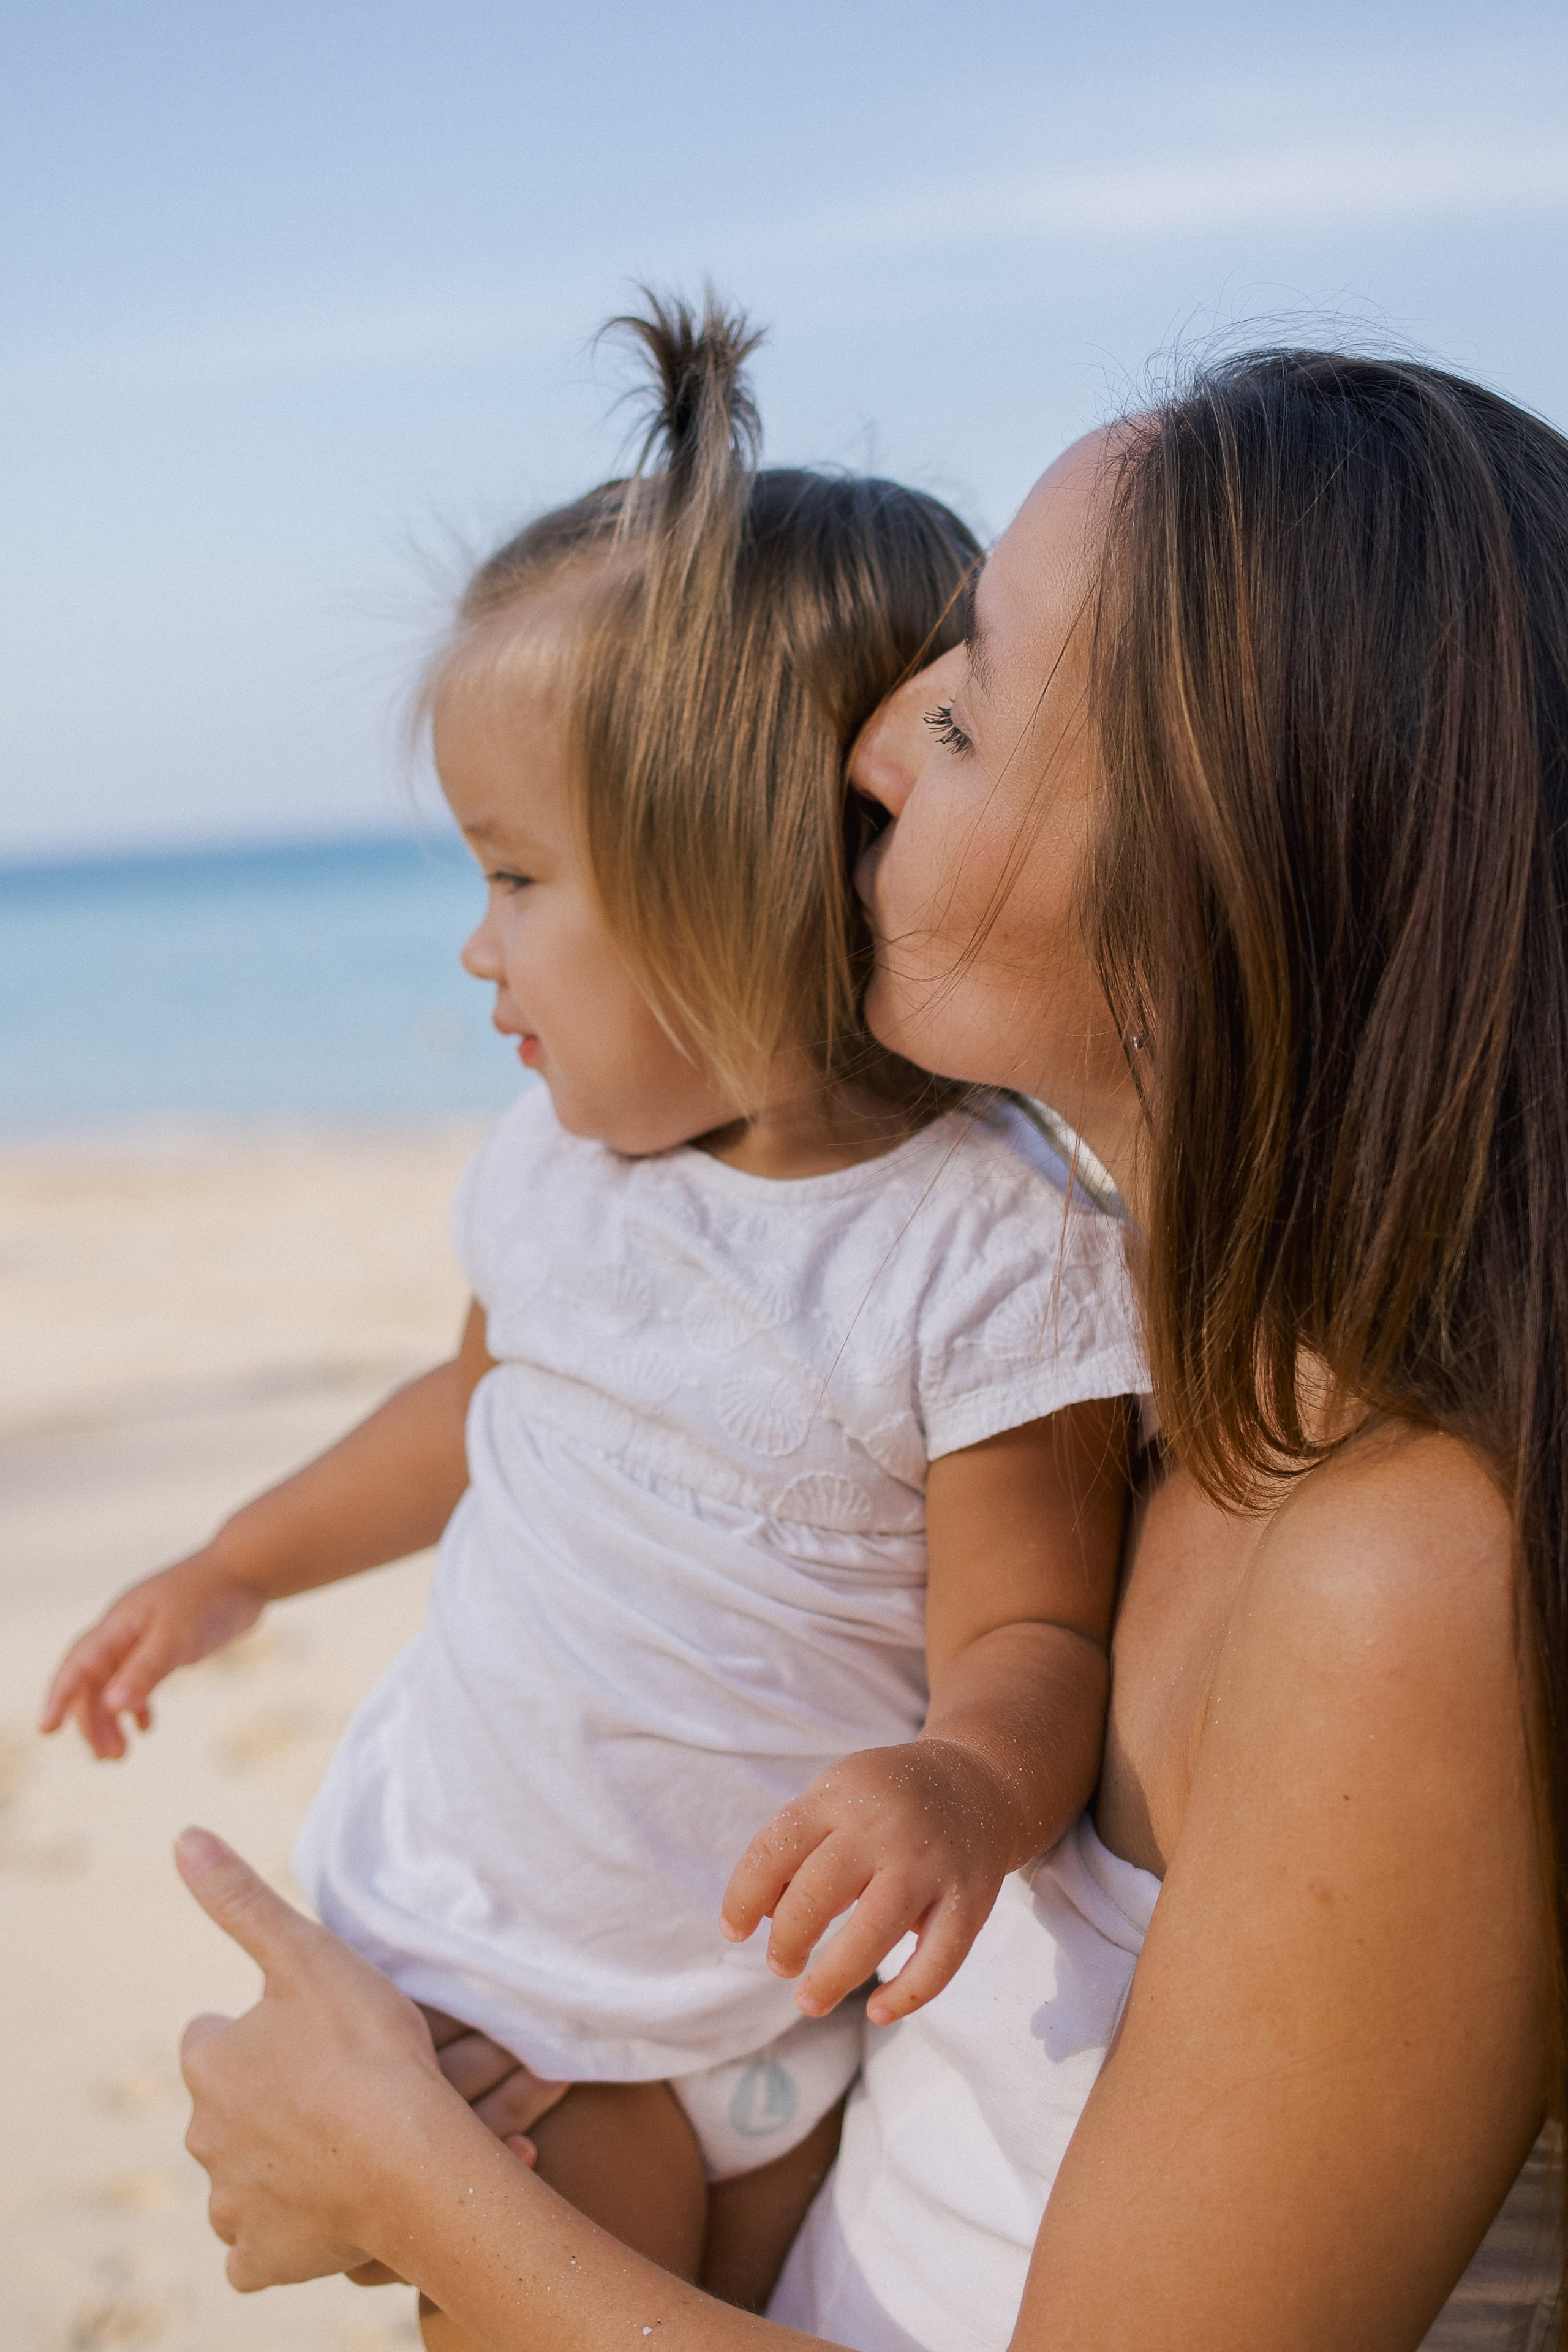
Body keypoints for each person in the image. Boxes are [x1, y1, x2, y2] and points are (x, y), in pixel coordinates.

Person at [168, 343, 1568, 2350]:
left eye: (966, 706)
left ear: (1232, 854)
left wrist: (406, 2174)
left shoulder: (1403, 1579)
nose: (871, 743)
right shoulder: (1167, 1392)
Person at [42, 296, 1145, 2338]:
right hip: (516, 1985)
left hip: (766, 1991)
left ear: (726, 878)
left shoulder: (987, 1251)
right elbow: (464, 1410)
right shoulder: (564, 1181)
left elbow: (1035, 1636)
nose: (477, 952)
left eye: (518, 880)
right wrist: (235, 1565)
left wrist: (964, 1788)